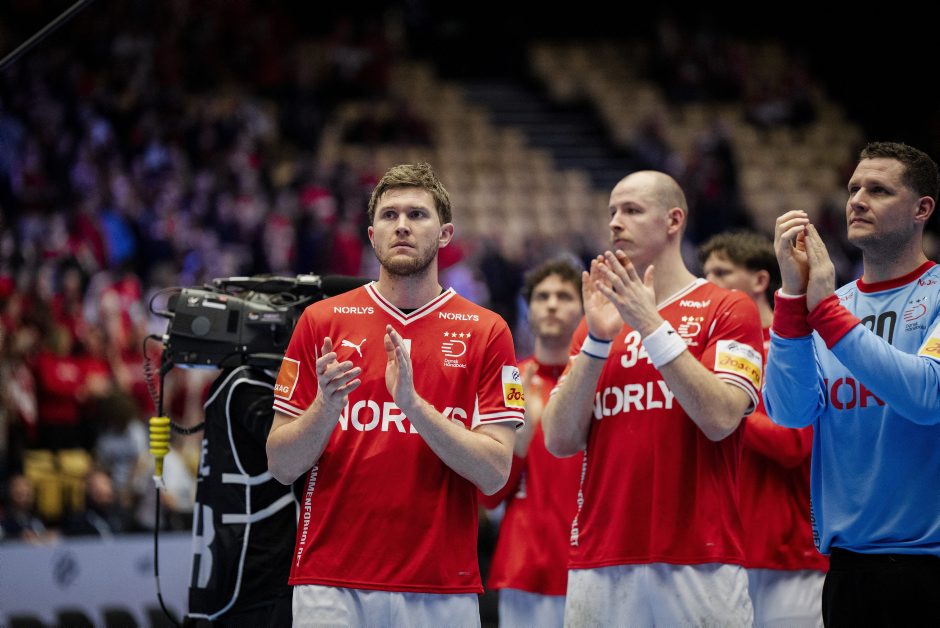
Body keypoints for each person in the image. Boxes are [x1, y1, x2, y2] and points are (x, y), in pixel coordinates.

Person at [265, 162, 523, 627]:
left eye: (417, 214)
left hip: (441, 585)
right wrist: (325, 406)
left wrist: (413, 407)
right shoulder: (320, 322)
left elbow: (495, 474)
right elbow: (281, 465)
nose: (402, 225)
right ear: (372, 235)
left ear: (445, 234)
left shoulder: (488, 331)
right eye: (389, 215)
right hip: (331, 583)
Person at [542, 170, 764, 626]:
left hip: (699, 558)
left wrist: (649, 323)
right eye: (612, 212)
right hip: (600, 557)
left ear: (673, 221)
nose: (615, 222)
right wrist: (597, 341)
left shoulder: (728, 307)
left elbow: (722, 417)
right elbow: (559, 439)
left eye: (632, 210)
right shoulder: (598, 322)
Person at [763, 141, 940, 626]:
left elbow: (928, 396)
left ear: (922, 209)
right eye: (853, 189)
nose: (857, 200)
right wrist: (793, 301)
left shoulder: (929, 293)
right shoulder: (834, 304)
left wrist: (825, 314)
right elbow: (790, 412)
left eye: (878, 190)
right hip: (847, 569)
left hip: (929, 565)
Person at [701, 231, 827, 626]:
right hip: (717, 552)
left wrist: (725, 403)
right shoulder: (708, 353)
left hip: (788, 556)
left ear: (759, 280)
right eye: (705, 274)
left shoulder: (795, 347)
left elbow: (793, 443)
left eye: (722, 272)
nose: (709, 283)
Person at [480, 258, 584, 627]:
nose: (552, 304)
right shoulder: (510, 383)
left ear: (584, 310)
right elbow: (488, 496)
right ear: (529, 308)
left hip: (593, 561)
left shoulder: (600, 382)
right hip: (526, 566)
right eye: (542, 296)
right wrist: (520, 441)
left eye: (564, 296)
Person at [186, 365, 296, 627]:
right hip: (255, 579)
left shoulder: (227, 386)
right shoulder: (245, 388)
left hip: (230, 577)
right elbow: (294, 452)